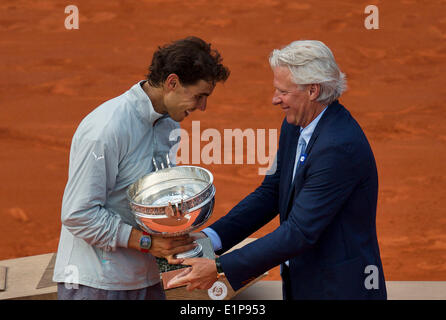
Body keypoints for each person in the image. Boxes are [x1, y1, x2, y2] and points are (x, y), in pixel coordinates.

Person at [168, 40, 387, 300]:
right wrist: (210, 239)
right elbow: (270, 192)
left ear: (313, 91)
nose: (275, 99)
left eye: (283, 91)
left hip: (339, 290)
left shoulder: (338, 148)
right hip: (305, 283)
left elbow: (299, 232)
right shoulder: (295, 126)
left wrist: (218, 267)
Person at [52, 36, 230, 300]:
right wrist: (147, 242)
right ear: (172, 82)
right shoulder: (106, 129)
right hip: (96, 285)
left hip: (145, 280)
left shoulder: (169, 125)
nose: (202, 107)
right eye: (199, 96)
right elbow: (79, 213)